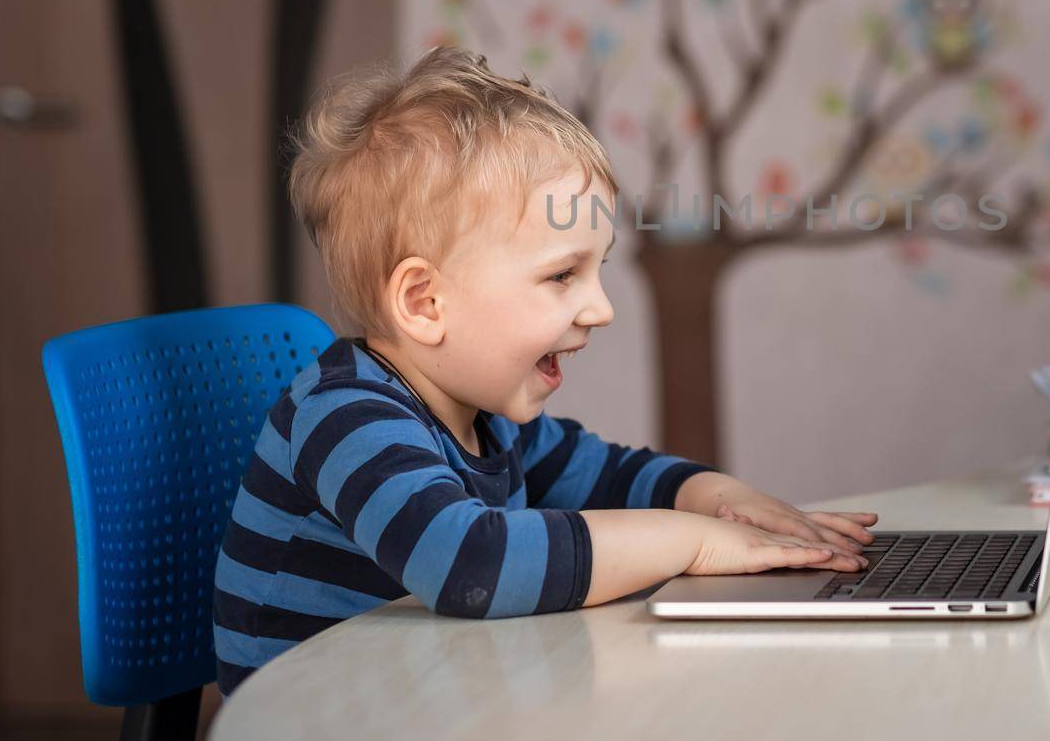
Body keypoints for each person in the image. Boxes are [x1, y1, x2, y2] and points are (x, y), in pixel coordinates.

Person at [214, 46, 875, 694]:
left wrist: (724, 500)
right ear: (425, 302)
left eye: (598, 267)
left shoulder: (489, 419)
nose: (602, 308)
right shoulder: (345, 415)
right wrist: (694, 542)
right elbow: (471, 561)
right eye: (562, 274)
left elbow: (613, 476)